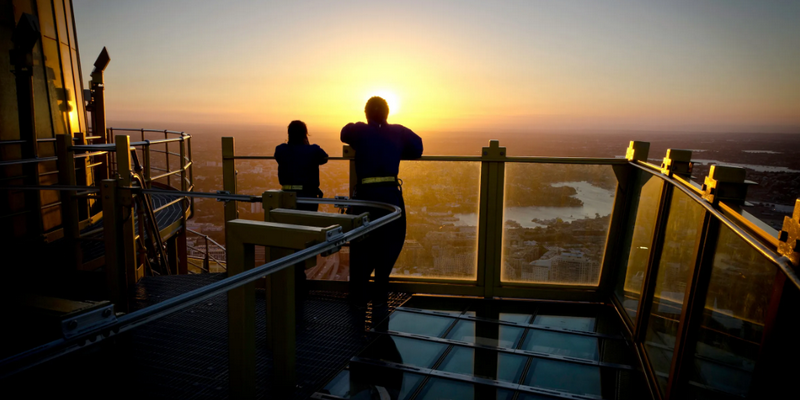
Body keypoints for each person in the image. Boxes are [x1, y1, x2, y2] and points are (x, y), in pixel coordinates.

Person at [341, 96, 423, 309]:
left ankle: (358, 300)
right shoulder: (398, 132)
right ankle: (380, 296)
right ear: (388, 113)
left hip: (365, 197)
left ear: (366, 114)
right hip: (390, 196)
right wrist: (394, 148)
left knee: (361, 245)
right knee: (391, 242)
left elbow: (344, 133)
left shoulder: (359, 130)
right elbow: (417, 148)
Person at [274, 120, 328, 298]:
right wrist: (307, 146)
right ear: (305, 134)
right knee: (304, 239)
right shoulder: (312, 151)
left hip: (286, 200)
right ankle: (300, 280)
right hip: (307, 200)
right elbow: (324, 157)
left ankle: (292, 281)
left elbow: (281, 155)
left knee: (289, 239)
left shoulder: (281, 150)